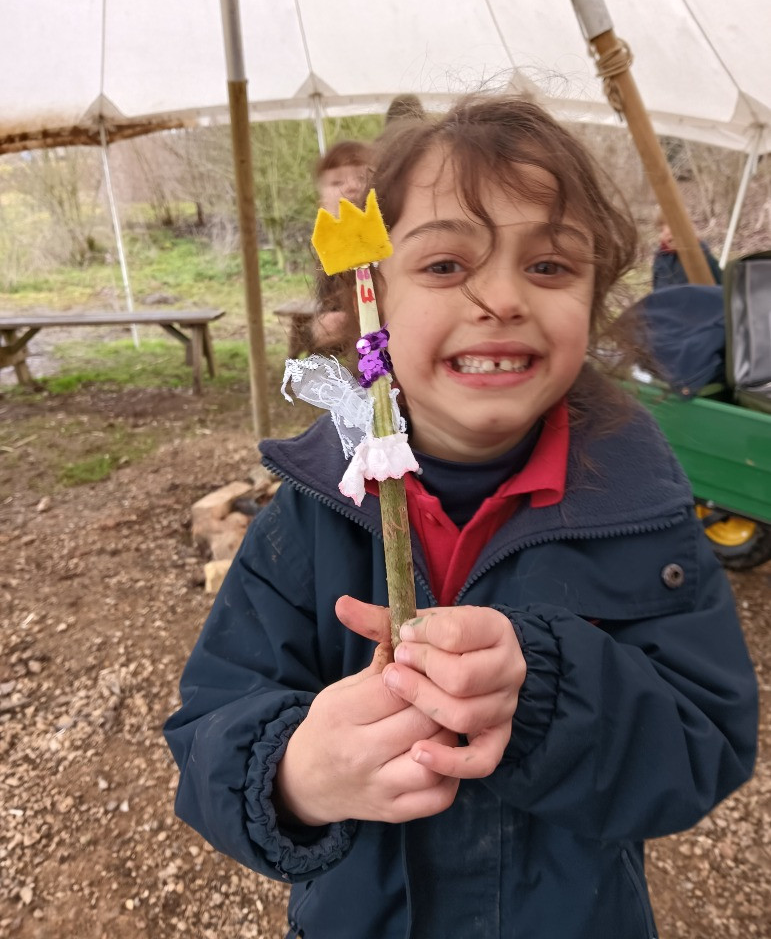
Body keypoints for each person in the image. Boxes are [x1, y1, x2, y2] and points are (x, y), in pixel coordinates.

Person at [165, 95, 757, 939]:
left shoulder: (639, 512)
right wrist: (294, 773)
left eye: (550, 267)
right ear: (370, 297)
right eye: (445, 266)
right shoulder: (309, 521)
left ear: (592, 304)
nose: (502, 298)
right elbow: (208, 731)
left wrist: (544, 699)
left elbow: (705, 744)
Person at [310, 140, 373, 351]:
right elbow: (328, 311)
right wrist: (326, 325)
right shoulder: (327, 253)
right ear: (322, 202)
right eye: (337, 182)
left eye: (361, 178)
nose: (351, 186)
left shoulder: (392, 242)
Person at [653, 210, 723, 289]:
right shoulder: (661, 257)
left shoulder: (701, 253)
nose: (664, 234)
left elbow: (719, 286)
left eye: (671, 226)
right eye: (660, 230)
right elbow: (656, 289)